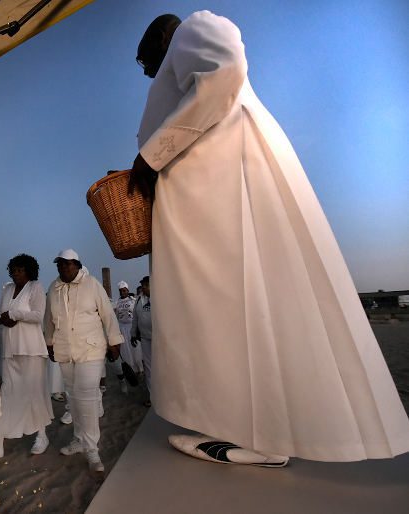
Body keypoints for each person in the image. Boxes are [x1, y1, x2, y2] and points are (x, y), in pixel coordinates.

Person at [130, 11, 409, 465]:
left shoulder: (192, 29)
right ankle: (246, 429)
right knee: (225, 315)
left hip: (229, 192)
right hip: (209, 204)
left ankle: (259, 437)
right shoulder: (176, 57)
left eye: (144, 59)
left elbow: (226, 71)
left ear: (162, 35)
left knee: (242, 309)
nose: (144, 70)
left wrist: (151, 156)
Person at [44, 249, 123, 473]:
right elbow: (48, 319)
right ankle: (79, 440)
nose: (64, 268)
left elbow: (107, 313)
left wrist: (114, 340)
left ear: (78, 265)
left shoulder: (92, 284)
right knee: (73, 395)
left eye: (68, 264)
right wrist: (49, 342)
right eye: (60, 264)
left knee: (87, 395)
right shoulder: (54, 288)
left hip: (91, 348)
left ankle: (92, 449)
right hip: (65, 350)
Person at [0, 254, 53, 460]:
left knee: (34, 392)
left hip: (31, 349)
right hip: (10, 348)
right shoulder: (8, 288)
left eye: (20, 270)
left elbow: (38, 316)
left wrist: (15, 315)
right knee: (8, 393)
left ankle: (41, 435)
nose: (16, 273)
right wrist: (1, 318)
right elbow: (2, 313)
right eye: (14, 270)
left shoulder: (36, 287)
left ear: (29, 271)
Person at [114, 280, 144, 393]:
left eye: (124, 290)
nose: (123, 292)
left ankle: (140, 369)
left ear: (128, 290)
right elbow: (116, 316)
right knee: (126, 350)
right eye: (121, 291)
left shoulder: (133, 301)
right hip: (122, 328)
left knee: (136, 349)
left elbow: (137, 314)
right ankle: (132, 370)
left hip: (132, 327)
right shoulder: (117, 303)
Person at [130, 276, 152, 406]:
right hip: (145, 339)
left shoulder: (161, 296)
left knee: (162, 367)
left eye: (146, 285)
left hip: (160, 339)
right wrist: (133, 334)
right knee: (148, 368)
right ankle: (152, 396)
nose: (143, 288)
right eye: (142, 285)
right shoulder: (138, 299)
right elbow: (135, 319)